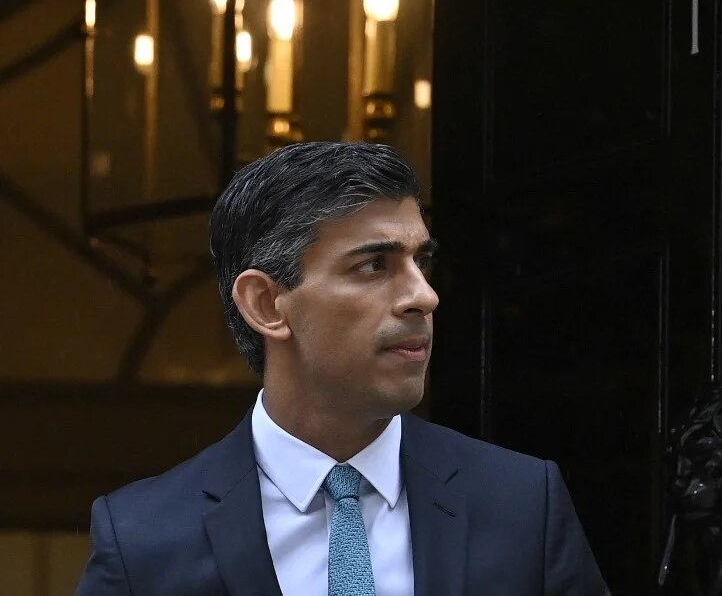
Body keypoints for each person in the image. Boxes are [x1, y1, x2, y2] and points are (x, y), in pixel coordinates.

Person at [76, 141, 608, 595]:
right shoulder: (143, 539)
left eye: (420, 262)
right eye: (374, 265)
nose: (425, 296)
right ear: (266, 304)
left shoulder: (522, 504)